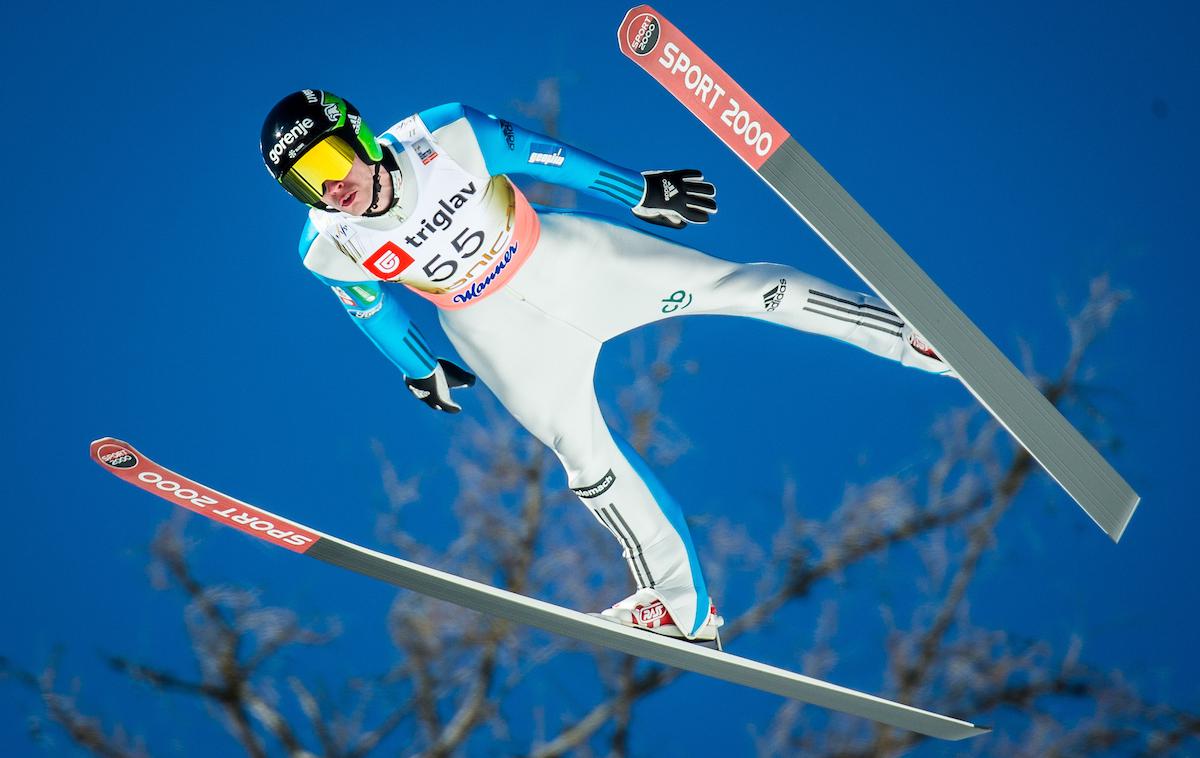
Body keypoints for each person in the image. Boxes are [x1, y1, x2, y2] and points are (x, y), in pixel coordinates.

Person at [260, 90, 955, 643]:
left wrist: (639, 192)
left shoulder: (445, 137)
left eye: (326, 165)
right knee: (587, 462)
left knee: (744, 288)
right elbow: (368, 310)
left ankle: (909, 337)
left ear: (357, 135)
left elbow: (544, 157)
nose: (329, 190)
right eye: (304, 185)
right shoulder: (328, 245)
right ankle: (681, 610)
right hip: (495, 334)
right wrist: (420, 369)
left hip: (573, 264)